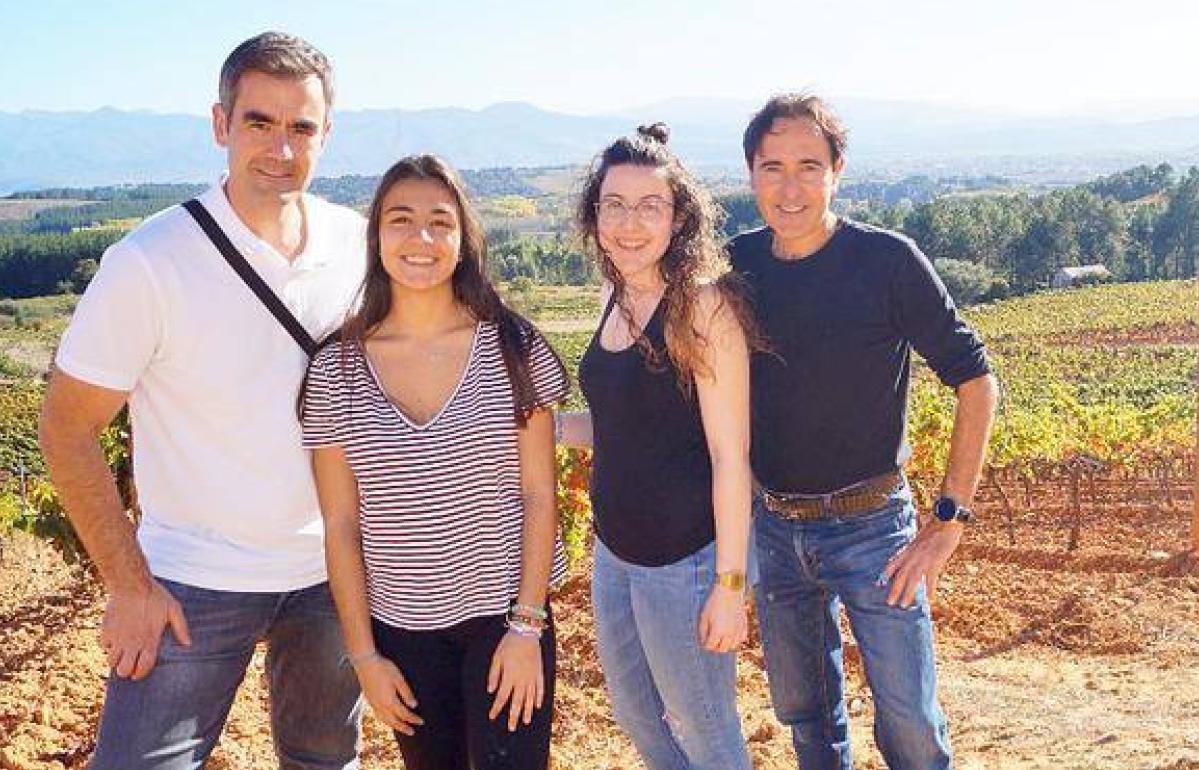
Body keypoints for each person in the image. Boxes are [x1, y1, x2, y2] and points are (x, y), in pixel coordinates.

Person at [37, 32, 366, 770]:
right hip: (189, 583)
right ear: (221, 124)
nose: (281, 148)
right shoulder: (148, 264)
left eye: (301, 127)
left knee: (325, 762)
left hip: (328, 577)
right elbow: (65, 426)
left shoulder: (359, 244)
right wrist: (129, 586)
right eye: (259, 122)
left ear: (327, 136)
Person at [729, 93, 1000, 770]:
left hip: (874, 529)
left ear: (837, 170)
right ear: (750, 172)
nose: (790, 187)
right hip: (775, 528)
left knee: (908, 725)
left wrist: (949, 523)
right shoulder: (735, 268)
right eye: (773, 167)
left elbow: (977, 382)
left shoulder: (887, 262)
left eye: (809, 166)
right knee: (805, 719)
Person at [300, 154, 569, 770]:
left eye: (439, 222)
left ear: (462, 239)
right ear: (376, 237)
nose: (420, 238)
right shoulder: (335, 370)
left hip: (505, 621)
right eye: (401, 219)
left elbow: (538, 496)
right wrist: (365, 658)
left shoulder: (511, 348)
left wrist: (527, 627)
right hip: (401, 634)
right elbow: (340, 524)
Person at [557, 124, 757, 770]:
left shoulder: (701, 308)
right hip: (615, 554)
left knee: (705, 733)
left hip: (687, 563)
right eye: (614, 204)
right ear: (595, 215)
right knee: (641, 720)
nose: (629, 223)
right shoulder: (610, 297)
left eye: (650, 206)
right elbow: (619, 425)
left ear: (679, 217)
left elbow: (731, 457)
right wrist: (544, 430)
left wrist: (730, 585)